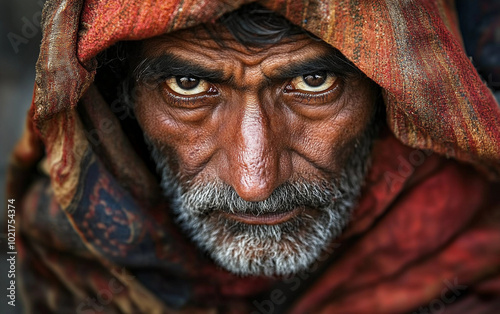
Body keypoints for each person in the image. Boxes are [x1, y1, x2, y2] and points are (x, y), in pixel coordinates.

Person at [7, 0, 500, 313]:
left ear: (394, 93)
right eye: (189, 85)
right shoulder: (67, 255)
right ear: (121, 97)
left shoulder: (476, 252)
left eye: (312, 83)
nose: (255, 181)